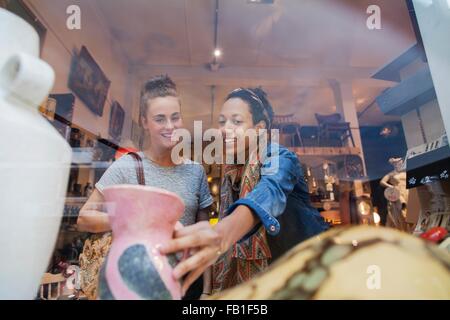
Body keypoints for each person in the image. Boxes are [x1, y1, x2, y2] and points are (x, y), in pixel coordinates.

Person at [160, 87, 329, 296]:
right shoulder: (230, 173)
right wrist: (206, 291)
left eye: (236, 122)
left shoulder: (281, 158)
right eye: (222, 122)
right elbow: (223, 220)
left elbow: (269, 192)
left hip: (306, 276)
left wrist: (222, 234)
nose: (224, 129)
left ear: (259, 128)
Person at [77, 75, 213, 299]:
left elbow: (203, 237)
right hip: (138, 283)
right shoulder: (127, 166)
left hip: (187, 282)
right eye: (160, 119)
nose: (170, 126)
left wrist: (207, 290)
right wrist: (137, 221)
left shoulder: (195, 172)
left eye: (175, 117)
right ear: (144, 121)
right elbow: (84, 217)